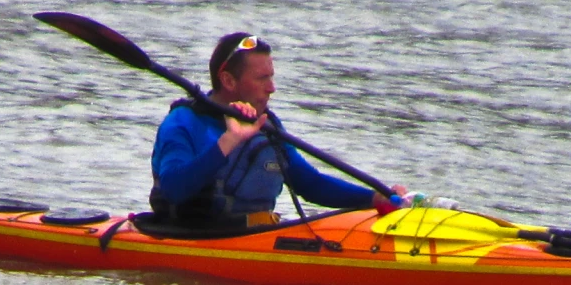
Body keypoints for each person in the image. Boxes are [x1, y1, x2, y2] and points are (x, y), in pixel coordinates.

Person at [149, 32, 403, 229]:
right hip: (191, 235)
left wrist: (373, 199)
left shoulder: (267, 125)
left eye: (271, 77)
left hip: (255, 237)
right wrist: (230, 140)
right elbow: (173, 188)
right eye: (262, 78)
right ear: (228, 80)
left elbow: (310, 184)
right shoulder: (183, 123)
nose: (271, 88)